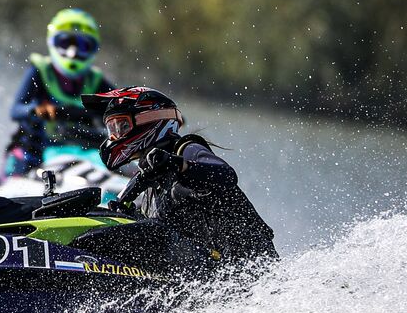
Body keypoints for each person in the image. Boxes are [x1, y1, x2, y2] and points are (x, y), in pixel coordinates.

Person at [97, 87, 277, 264]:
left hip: (247, 266)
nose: (115, 136)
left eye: (122, 126)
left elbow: (227, 176)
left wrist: (179, 164)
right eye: (112, 128)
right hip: (204, 270)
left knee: (153, 232)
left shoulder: (187, 150)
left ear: (148, 121)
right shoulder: (147, 180)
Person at [2, 7, 117, 177]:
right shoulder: (40, 72)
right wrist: (36, 110)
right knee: (19, 161)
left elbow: (121, 110)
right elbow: (16, 110)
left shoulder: (96, 81)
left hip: (86, 156)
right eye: (65, 44)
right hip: (35, 154)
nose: (72, 53)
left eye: (83, 46)